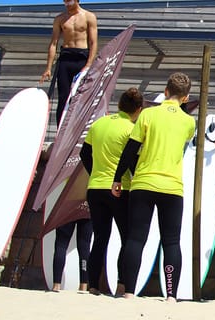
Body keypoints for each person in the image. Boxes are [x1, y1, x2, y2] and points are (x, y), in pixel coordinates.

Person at [111, 73, 196, 301]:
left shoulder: (148, 114)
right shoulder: (189, 122)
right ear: (186, 98)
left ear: (165, 91)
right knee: (171, 241)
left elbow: (131, 149)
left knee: (136, 239)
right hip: (172, 186)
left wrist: (117, 178)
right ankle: (170, 294)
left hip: (144, 182)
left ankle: (129, 291)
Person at [80, 88, 143, 296]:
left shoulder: (99, 123)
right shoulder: (130, 129)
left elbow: (84, 153)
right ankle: (121, 285)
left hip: (95, 187)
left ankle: (93, 286)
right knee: (127, 238)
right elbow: (132, 160)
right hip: (120, 188)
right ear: (138, 110)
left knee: (100, 238)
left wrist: (94, 173)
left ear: (119, 105)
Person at [39, 0, 98, 127]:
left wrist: (88, 64)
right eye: (65, 1)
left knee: (80, 97)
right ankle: (60, 129)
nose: (67, 3)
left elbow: (93, 42)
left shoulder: (89, 16)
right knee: (63, 96)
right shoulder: (60, 19)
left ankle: (77, 129)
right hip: (66, 57)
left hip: (82, 57)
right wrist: (48, 67)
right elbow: (53, 43)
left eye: (69, 0)